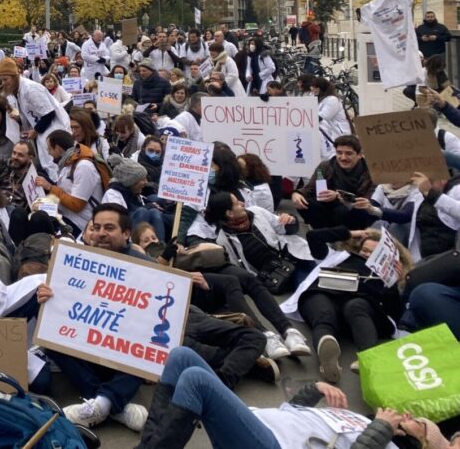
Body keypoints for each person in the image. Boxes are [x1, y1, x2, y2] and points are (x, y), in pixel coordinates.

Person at [134, 345, 448, 449]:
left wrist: (380, 429)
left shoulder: (385, 443)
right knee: (181, 357)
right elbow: (296, 417)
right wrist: (313, 392)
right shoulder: (365, 427)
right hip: (262, 423)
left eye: (417, 423)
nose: (406, 416)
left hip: (273, 445)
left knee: (195, 380)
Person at [39, 204, 149, 432]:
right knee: (48, 328)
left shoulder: (145, 268)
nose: (100, 233)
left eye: (109, 228)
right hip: (86, 352)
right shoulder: (73, 261)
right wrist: (48, 297)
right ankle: (112, 405)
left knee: (147, 339)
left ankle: (101, 403)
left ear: (126, 233)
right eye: (96, 227)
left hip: (123, 360)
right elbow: (62, 305)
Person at [283, 228, 409, 383]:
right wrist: (348, 234)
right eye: (364, 250)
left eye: (373, 254)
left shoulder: (385, 277)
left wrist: (393, 283)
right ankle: (327, 355)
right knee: (323, 312)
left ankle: (369, 359)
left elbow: (393, 313)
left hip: (360, 308)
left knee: (355, 306)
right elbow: (314, 236)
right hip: (325, 295)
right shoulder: (339, 256)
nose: (367, 255)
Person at [0, 57, 70, 177]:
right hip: (43, 133)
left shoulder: (31, 89)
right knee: (48, 165)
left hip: (52, 130)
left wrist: (35, 131)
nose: (4, 83)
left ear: (15, 76)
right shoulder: (17, 90)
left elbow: (49, 113)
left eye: (5, 79)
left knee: (54, 165)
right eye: (1, 80)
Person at [292, 135, 375, 230]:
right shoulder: (326, 166)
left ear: (359, 155)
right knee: (306, 202)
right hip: (327, 209)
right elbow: (310, 188)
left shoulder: (370, 172)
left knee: (344, 211)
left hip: (352, 212)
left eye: (349, 154)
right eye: (339, 153)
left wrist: (337, 196)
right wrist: (297, 194)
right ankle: (322, 232)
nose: (343, 158)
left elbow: (368, 200)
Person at [35, 130, 105, 236]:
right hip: (64, 214)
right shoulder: (68, 165)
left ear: (58, 149)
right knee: (33, 210)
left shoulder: (84, 167)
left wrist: (50, 187)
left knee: (38, 220)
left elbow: (76, 205)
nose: (49, 153)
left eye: (49, 149)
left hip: (80, 224)